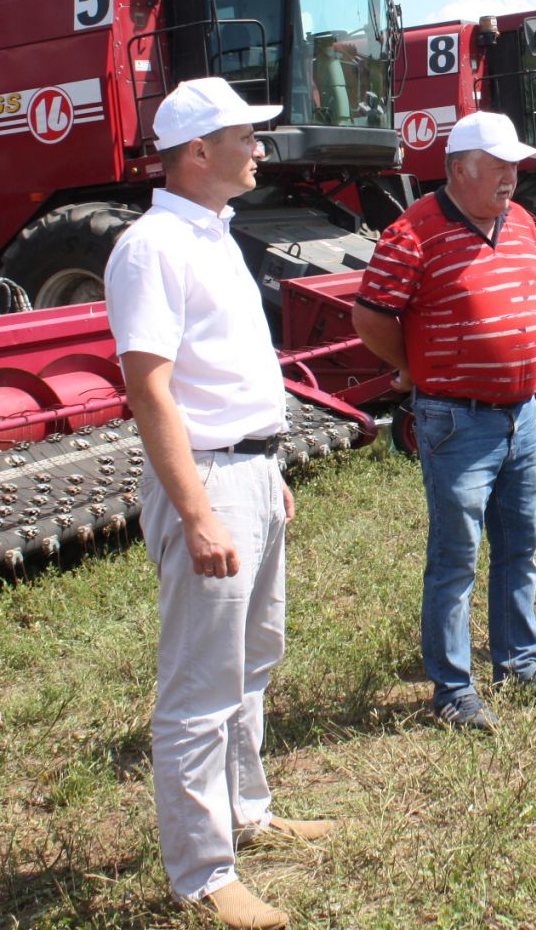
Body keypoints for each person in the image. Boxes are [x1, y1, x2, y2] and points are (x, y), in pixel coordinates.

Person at [105, 77, 330, 930]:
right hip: (208, 481)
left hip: (249, 474)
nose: (260, 149)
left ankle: (246, 812)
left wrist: (266, 471)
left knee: (254, 658)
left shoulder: (213, 235)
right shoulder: (151, 247)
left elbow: (223, 374)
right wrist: (197, 510)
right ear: (199, 151)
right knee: (201, 682)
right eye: (248, 136)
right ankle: (203, 872)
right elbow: (151, 391)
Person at [352, 111, 536, 731]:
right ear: (458, 169)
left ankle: (519, 664)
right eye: (498, 166)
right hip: (458, 420)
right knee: (457, 555)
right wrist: (417, 367)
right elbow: (370, 318)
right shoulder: (412, 234)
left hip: (520, 415)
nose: (511, 177)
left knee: (519, 544)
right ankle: (453, 690)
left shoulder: (523, 223)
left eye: (514, 166)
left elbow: (526, 299)